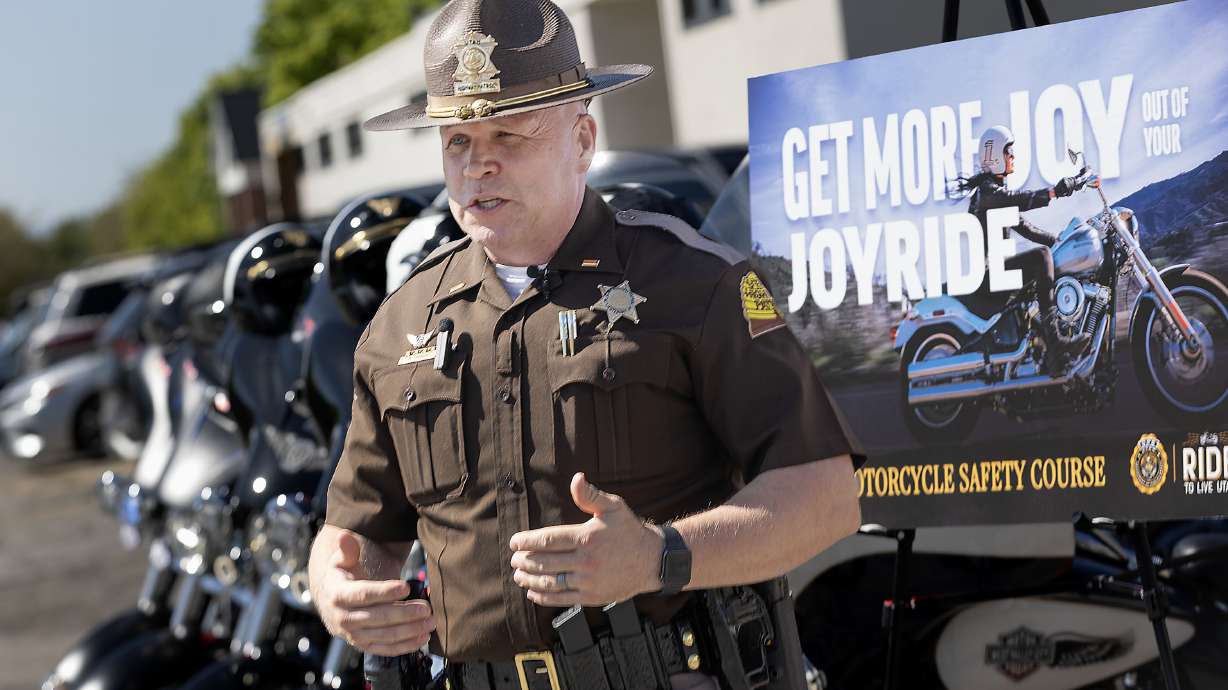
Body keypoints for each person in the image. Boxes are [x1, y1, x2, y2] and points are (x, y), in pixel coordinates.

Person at [307, 1, 863, 688]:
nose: (478, 167)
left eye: (508, 136)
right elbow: (358, 531)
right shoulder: (399, 327)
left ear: (582, 141)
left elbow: (828, 494)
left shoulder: (693, 281)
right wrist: (339, 593)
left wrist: (661, 556)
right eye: (458, 143)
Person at [958, 125, 1096, 373]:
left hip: (995, 274)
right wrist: (1057, 190)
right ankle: (1056, 346)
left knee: (1047, 259)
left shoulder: (992, 194)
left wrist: (1061, 241)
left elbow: (1027, 228)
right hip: (988, 276)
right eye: (1009, 152)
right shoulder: (988, 194)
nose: (1013, 158)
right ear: (996, 155)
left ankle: (1048, 354)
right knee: (1041, 258)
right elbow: (1021, 200)